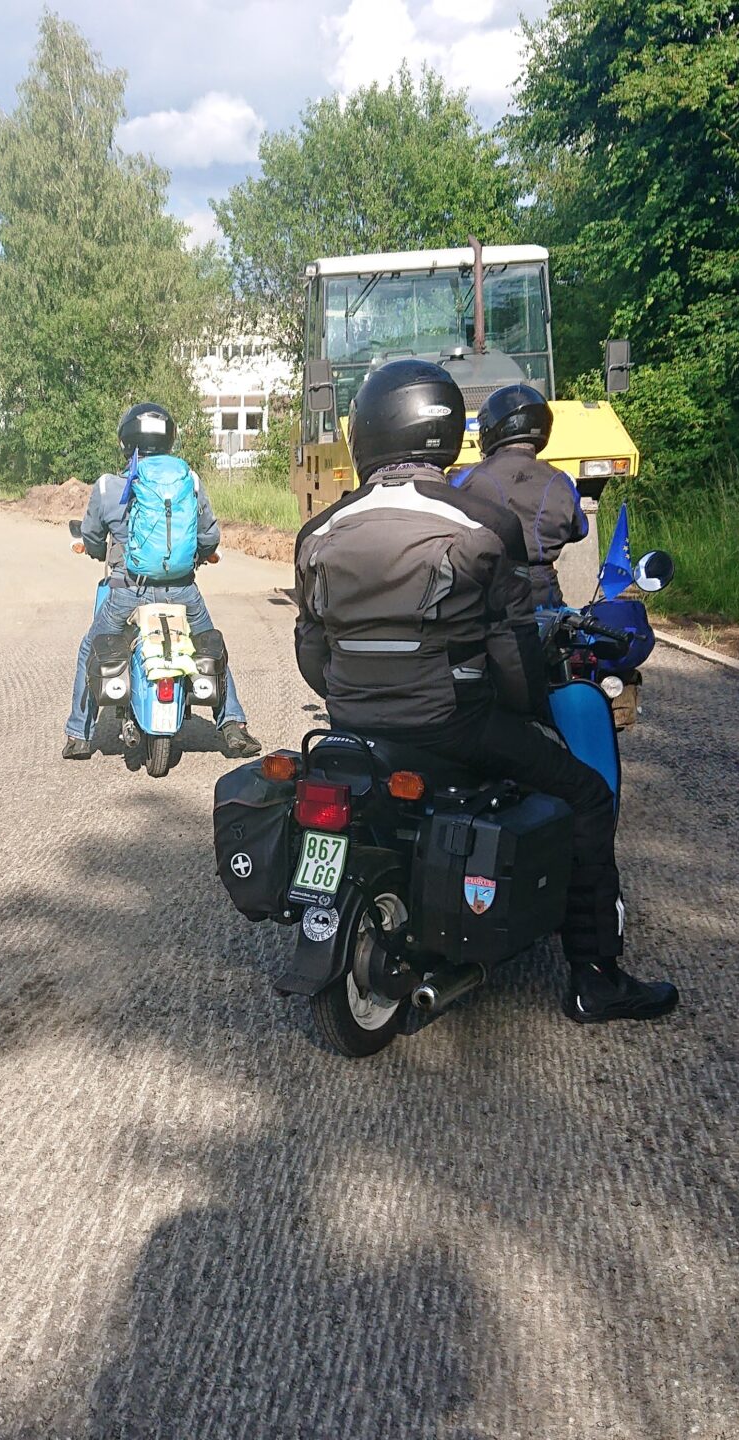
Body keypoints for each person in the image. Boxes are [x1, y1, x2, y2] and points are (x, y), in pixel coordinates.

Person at [292, 360, 676, 1023]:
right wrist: (532, 712)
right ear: (444, 433)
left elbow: (311, 652)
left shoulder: (317, 531)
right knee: (583, 792)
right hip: (454, 723)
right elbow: (513, 648)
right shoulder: (480, 522)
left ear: (367, 433)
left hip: (352, 722)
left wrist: (360, 700)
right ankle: (596, 977)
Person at [62, 403, 262, 761]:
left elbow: (92, 537)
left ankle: (79, 735)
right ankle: (232, 724)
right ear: (169, 440)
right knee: (208, 644)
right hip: (183, 590)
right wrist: (197, 557)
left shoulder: (109, 487)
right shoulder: (190, 481)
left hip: (128, 592)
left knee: (90, 648)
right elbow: (209, 538)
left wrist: (96, 549)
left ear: (126, 442)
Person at [455, 384, 588, 607]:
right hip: (544, 590)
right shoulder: (561, 479)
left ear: (493, 427)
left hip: (491, 589)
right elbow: (580, 529)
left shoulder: (467, 476)